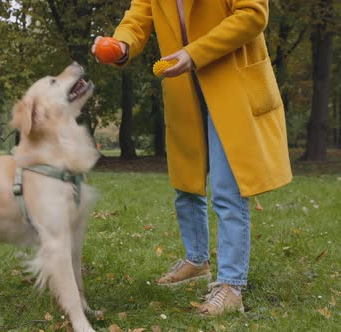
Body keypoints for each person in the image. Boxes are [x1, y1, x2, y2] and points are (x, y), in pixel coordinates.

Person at [92, 0, 292, 315]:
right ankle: (197, 261)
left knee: (227, 188)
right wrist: (121, 44)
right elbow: (138, 16)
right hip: (184, 85)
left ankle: (230, 285)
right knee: (186, 182)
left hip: (231, 81)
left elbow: (253, 15)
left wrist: (193, 53)